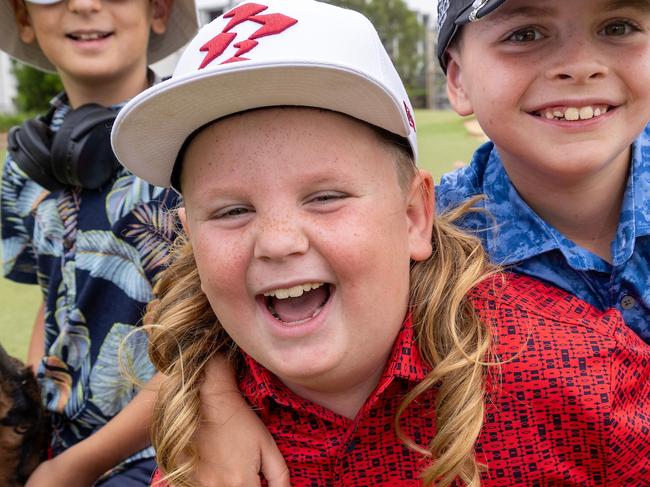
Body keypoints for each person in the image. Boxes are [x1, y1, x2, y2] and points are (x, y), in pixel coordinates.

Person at [110, 1, 650, 486]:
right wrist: (210, 393)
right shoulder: (209, 443)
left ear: (416, 215)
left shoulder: (576, 373)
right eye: (231, 211)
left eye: (325, 197)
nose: (276, 241)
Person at [0, 1, 279, 486]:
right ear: (24, 19)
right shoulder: (25, 166)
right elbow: (52, 303)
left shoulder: (191, 158)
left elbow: (205, 337)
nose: (85, 5)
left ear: (159, 10)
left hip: (168, 441)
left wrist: (74, 468)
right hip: (59, 441)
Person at [435, 0, 650, 344]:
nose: (580, 66)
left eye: (618, 28)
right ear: (459, 81)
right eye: (525, 34)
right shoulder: (424, 250)